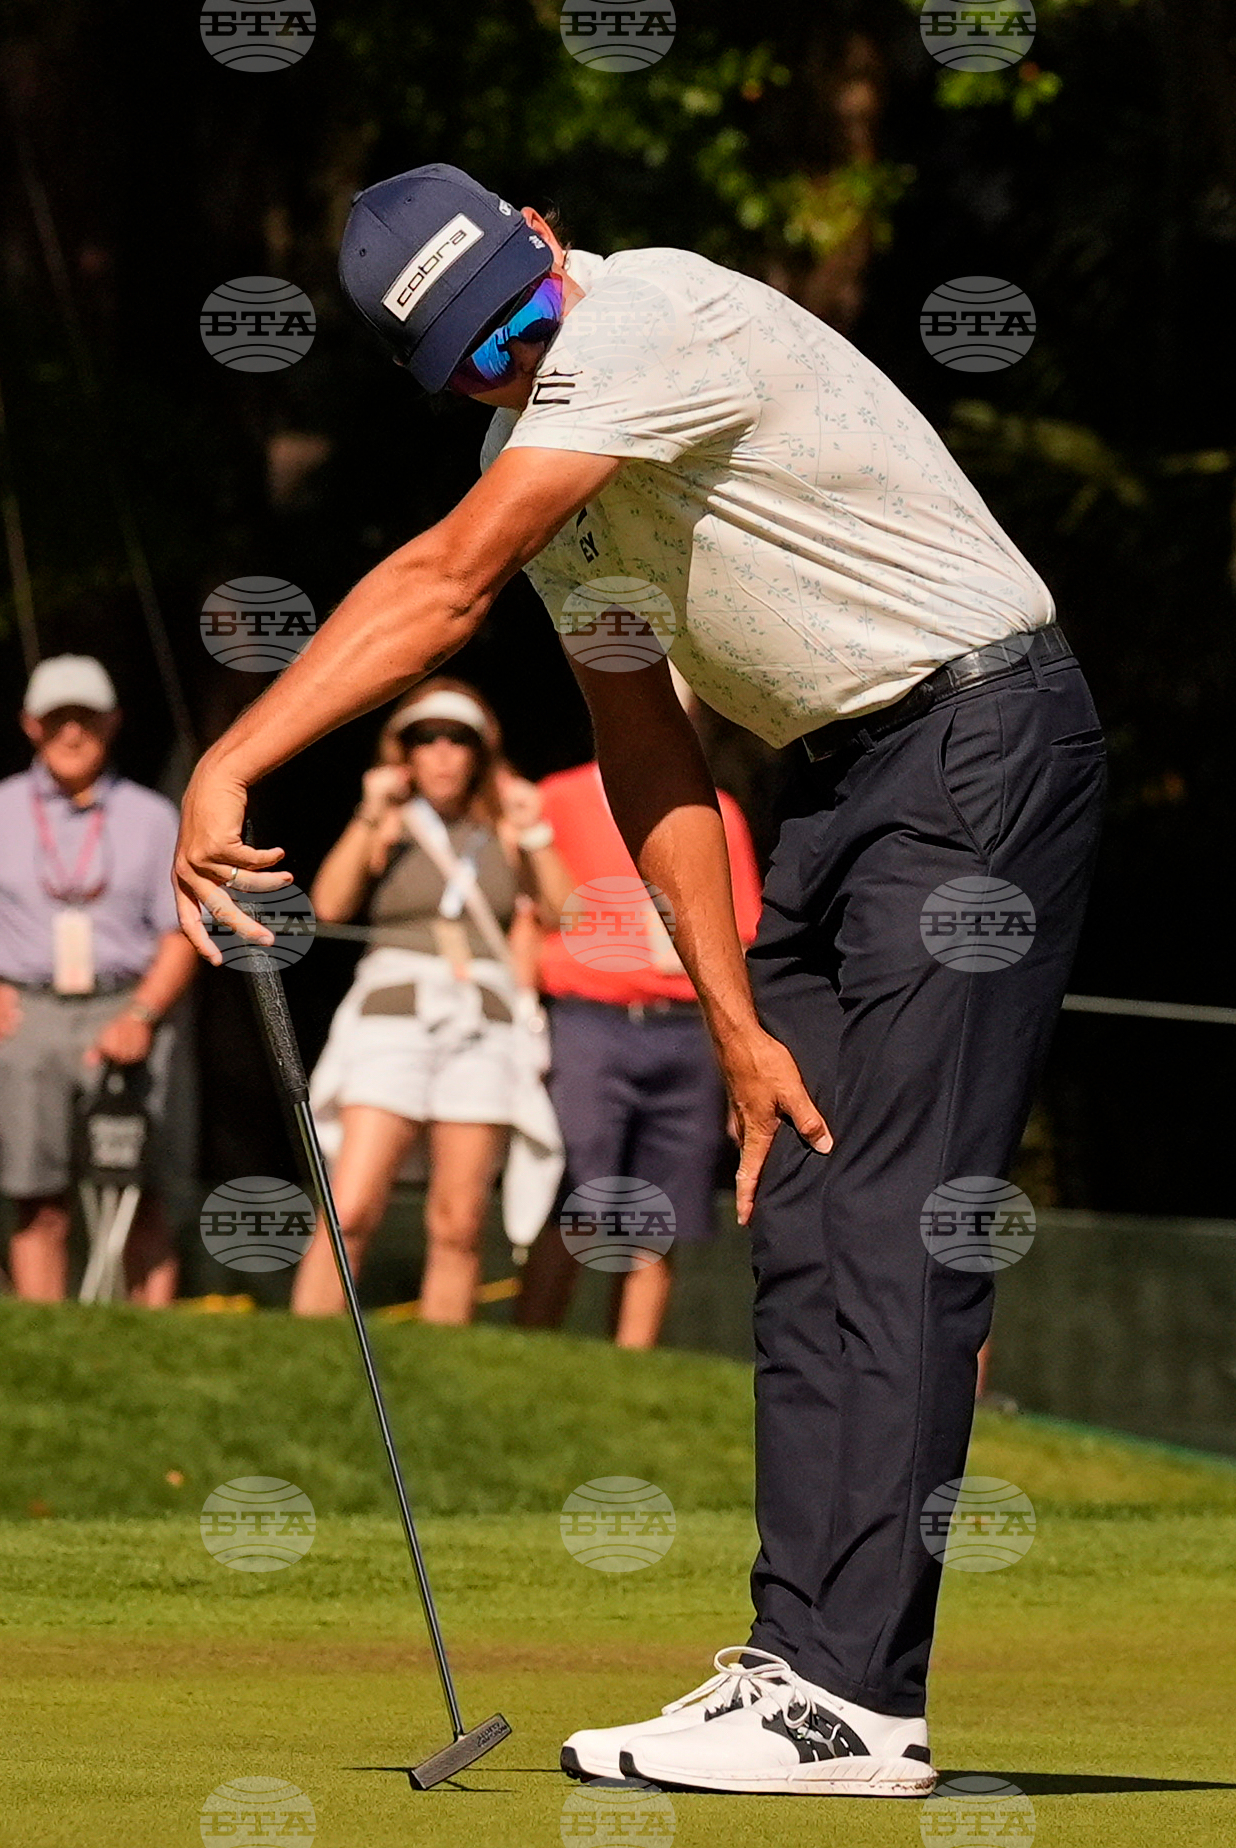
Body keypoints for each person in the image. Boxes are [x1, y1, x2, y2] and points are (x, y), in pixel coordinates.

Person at [173, 165, 1105, 1797]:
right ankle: (801, 1666)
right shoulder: (536, 455)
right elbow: (645, 742)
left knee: (893, 1211)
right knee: (800, 1195)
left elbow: (444, 586)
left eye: (521, 314)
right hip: (837, 786)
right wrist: (733, 1025)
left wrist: (231, 758)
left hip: (977, 739)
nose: (517, 358)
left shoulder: (649, 314)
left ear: (545, 236)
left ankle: (858, 1697)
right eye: (478, 360)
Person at [292, 680, 572, 1323]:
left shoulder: (504, 828)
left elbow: (566, 914)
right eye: (426, 738)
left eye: (458, 739)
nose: (443, 753)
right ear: (404, 753)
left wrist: (535, 830)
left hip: (482, 1019)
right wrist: (369, 814)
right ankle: (307, 1351)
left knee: (459, 1221)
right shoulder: (389, 823)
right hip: (392, 1013)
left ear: (481, 753)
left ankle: (444, 1362)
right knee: (350, 1206)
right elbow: (328, 905)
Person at [517, 741, 761, 1348]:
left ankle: (633, 1363)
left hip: (685, 1027)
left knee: (659, 1211)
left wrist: (740, 1051)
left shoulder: (718, 809)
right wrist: (523, 1018)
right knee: (575, 1191)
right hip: (587, 1019)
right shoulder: (557, 796)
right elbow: (529, 914)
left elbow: (740, 932)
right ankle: (528, 1351)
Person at [0, 656, 197, 1304]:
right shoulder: (2, 809)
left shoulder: (154, 817)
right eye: (57, 718)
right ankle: (46, 1342)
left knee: (141, 1194)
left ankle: (153, 1345)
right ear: (31, 725)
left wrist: (141, 1014)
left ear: (111, 723)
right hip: (27, 1015)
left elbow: (180, 932)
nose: (72, 732)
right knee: (37, 1197)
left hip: (129, 1008)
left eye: (84, 717)